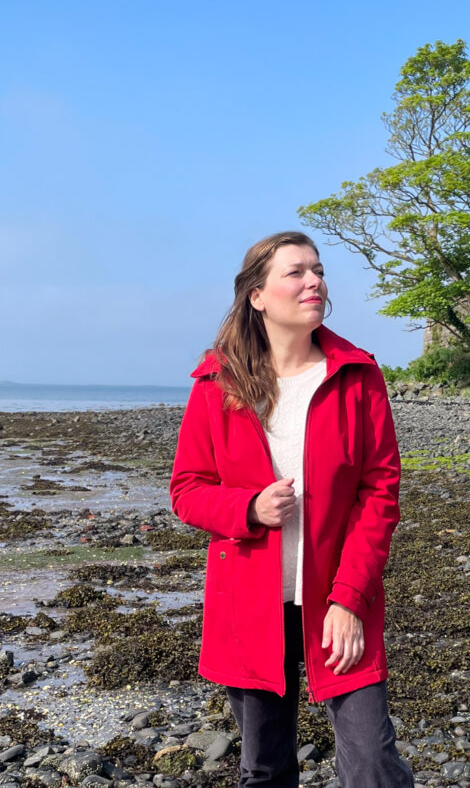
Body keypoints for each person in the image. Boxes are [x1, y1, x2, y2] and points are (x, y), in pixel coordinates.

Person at [169, 231, 414, 788]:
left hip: (338, 597)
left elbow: (379, 494)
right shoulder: (216, 382)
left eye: (318, 271)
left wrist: (349, 599)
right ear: (257, 295)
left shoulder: (357, 375)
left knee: (373, 763)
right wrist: (250, 508)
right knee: (265, 768)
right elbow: (187, 489)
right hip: (249, 602)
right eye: (296, 272)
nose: (314, 283)